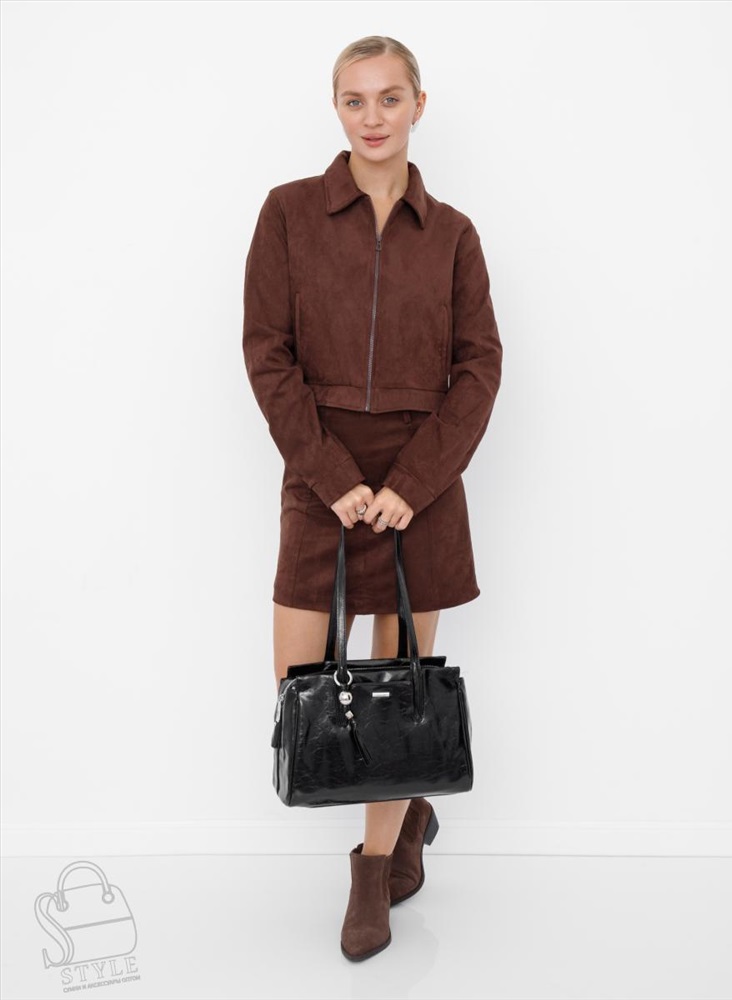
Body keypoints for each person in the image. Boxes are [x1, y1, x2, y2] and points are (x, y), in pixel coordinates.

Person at [242, 35, 502, 961]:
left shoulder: (455, 233)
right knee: (297, 683)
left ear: (419, 106)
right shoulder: (288, 213)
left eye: (391, 98)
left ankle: (374, 868)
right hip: (321, 474)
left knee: (395, 692)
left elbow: (479, 370)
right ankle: (410, 808)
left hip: (419, 483)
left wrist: (410, 487)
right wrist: (333, 478)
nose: (373, 117)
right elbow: (267, 355)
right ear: (337, 109)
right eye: (355, 100)